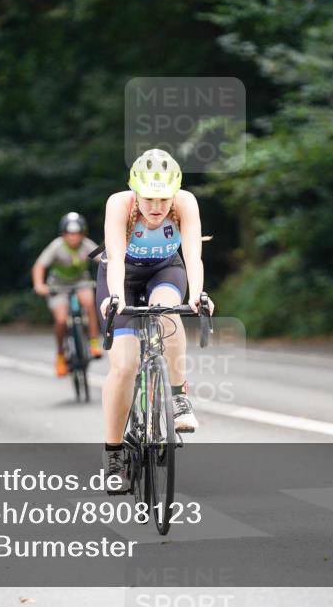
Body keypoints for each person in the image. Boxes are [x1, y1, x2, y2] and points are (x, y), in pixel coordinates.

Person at [96, 149, 213, 492]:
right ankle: (114, 455)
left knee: (169, 313)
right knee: (124, 365)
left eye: (164, 198)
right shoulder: (119, 204)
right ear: (135, 191)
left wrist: (198, 294)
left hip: (165, 270)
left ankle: (177, 396)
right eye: (148, 198)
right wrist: (115, 299)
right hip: (122, 277)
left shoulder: (185, 203)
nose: (156, 206)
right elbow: (115, 259)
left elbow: (193, 254)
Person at [32, 212, 102, 376]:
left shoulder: (86, 245)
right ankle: (60, 355)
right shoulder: (57, 246)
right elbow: (39, 265)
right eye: (69, 234)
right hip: (58, 286)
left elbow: (103, 258)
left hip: (81, 283)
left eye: (77, 234)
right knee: (61, 319)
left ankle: (93, 343)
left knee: (89, 303)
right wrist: (39, 285)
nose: (73, 238)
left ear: (83, 234)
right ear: (63, 234)